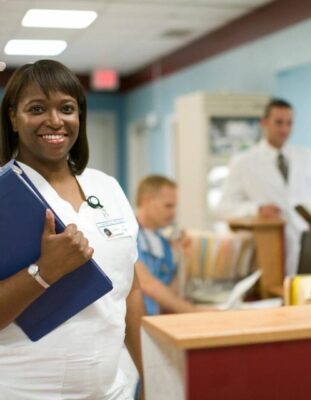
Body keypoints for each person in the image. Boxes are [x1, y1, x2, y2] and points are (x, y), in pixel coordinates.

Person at [0, 60, 145, 399]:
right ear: (13, 118)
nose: (54, 120)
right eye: (36, 108)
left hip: (114, 389)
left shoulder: (107, 187)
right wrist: (44, 272)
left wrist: (149, 375)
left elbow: (131, 290)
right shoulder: (5, 196)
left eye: (66, 108)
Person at [216, 98, 311, 275]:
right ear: (264, 123)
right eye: (279, 123)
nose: (284, 129)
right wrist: (257, 210)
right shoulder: (244, 163)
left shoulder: (307, 157)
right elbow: (224, 208)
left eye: (289, 123)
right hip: (269, 251)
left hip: (309, 244)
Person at [134, 175, 201, 315]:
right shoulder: (127, 235)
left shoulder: (163, 242)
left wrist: (184, 258)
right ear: (146, 201)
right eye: (168, 206)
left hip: (156, 321)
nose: (173, 213)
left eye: (174, 207)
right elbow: (148, 285)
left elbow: (170, 296)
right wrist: (196, 312)